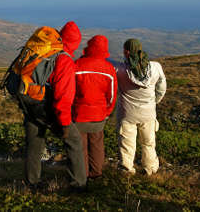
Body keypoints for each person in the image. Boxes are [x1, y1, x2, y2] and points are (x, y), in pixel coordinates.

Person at [24, 21, 87, 191]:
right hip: (46, 107)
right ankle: (78, 184)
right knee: (74, 140)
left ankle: (32, 182)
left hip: (29, 101)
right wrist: (65, 123)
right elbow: (63, 97)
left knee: (34, 141)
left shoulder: (45, 51)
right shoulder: (64, 60)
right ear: (75, 43)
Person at [112, 38, 166, 175]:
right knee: (148, 143)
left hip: (127, 113)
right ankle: (150, 168)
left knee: (126, 144)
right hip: (148, 113)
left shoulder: (120, 70)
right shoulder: (155, 67)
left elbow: (107, 64)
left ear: (126, 52)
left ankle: (126, 169)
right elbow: (161, 88)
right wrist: (155, 101)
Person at [74, 35, 117, 180]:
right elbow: (111, 96)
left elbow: (69, 91)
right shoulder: (109, 69)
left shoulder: (77, 65)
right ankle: (96, 174)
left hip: (79, 114)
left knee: (80, 147)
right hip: (99, 115)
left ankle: (82, 176)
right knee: (97, 145)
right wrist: (107, 112)